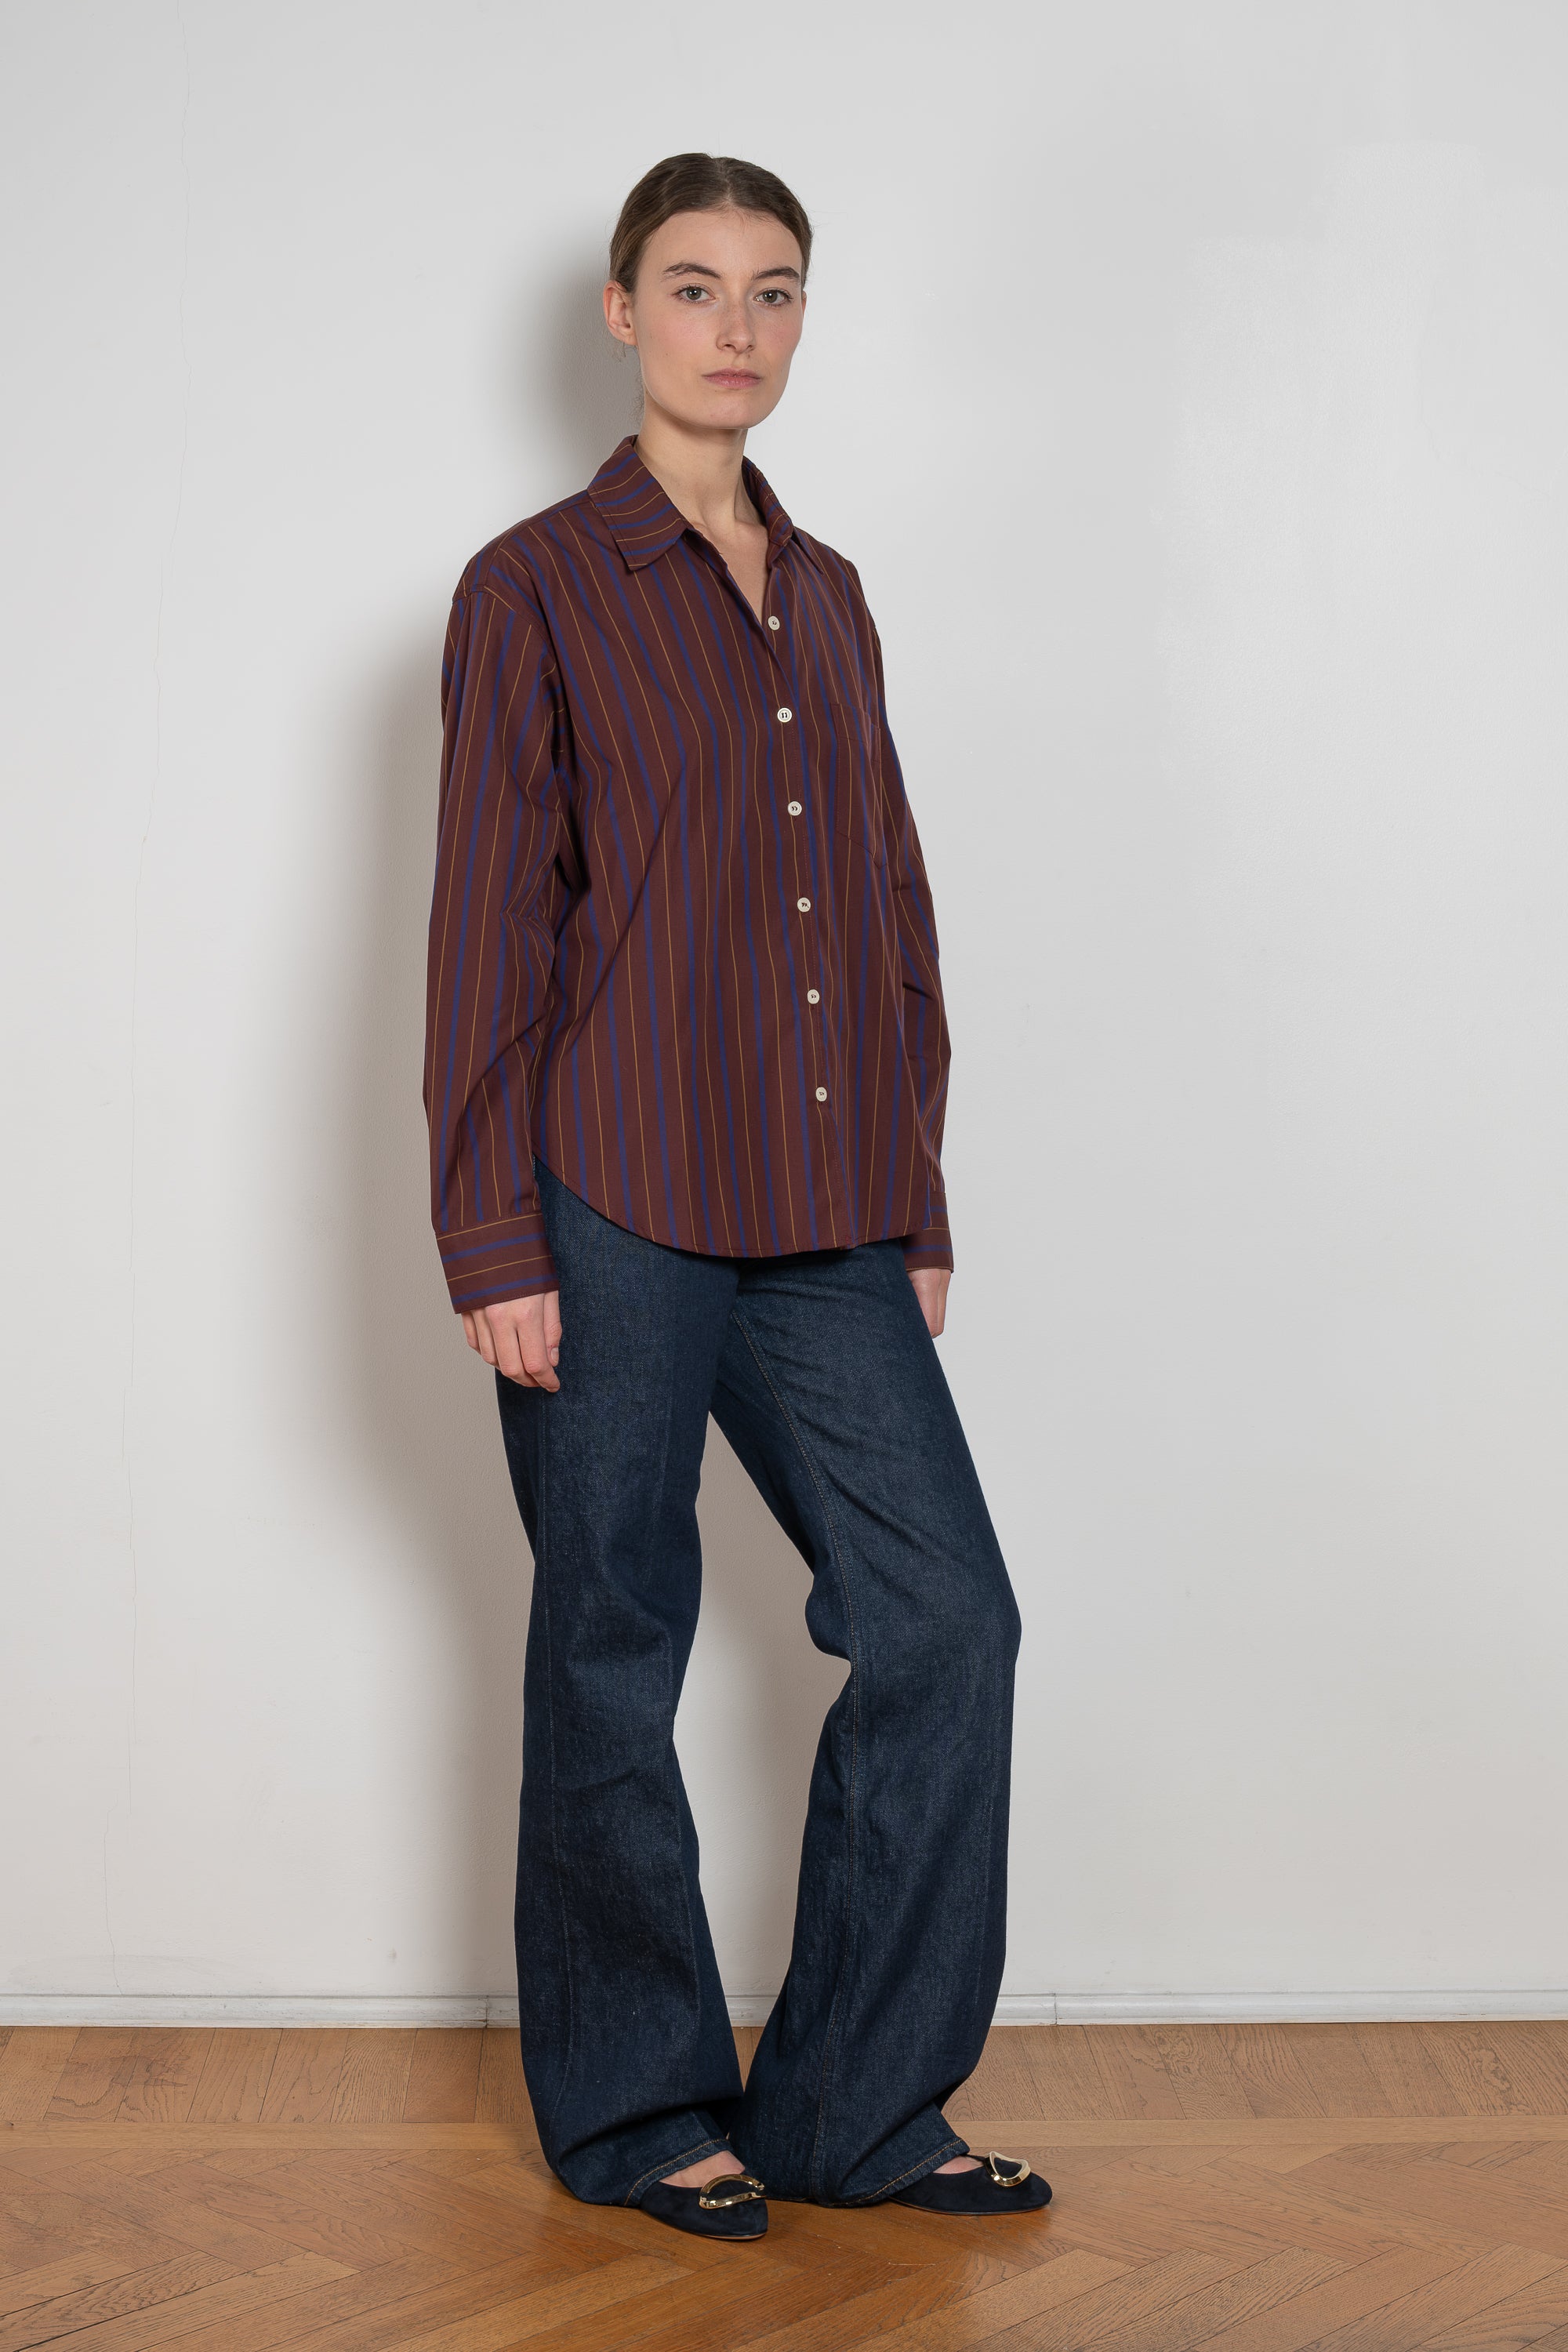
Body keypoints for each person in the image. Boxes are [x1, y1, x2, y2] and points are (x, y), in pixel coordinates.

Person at [422, 151, 1047, 2241]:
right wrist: (493, 1232)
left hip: (827, 1202)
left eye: (775, 289)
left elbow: (887, 902)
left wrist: (915, 1194)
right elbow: (491, 927)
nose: (738, 328)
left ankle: (855, 2110)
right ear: (623, 312)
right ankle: (638, 2114)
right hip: (609, 1192)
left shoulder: (835, 592)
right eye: (695, 286)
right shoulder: (532, 586)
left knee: (948, 1622)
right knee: (612, 1646)